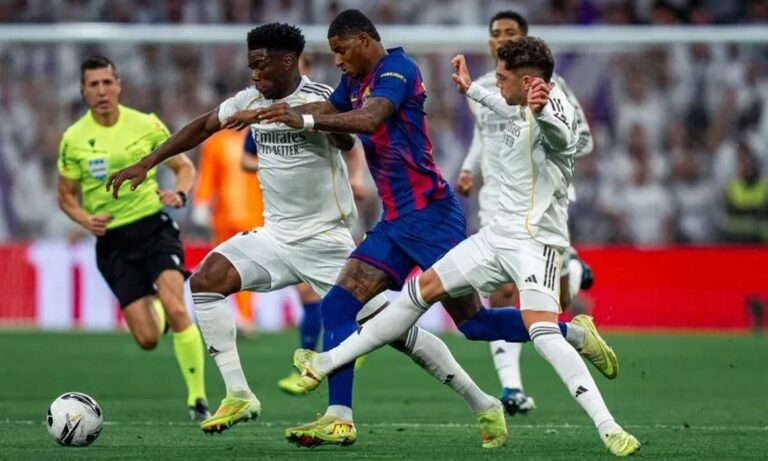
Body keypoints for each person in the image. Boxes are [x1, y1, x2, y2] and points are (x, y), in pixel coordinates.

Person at [226, 9, 613, 449]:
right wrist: (278, 111)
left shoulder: (398, 69)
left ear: (365, 41)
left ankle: (574, 334)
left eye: (341, 51)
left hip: (432, 216)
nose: (337, 61)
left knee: (475, 323)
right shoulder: (354, 80)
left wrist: (307, 120)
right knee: (336, 306)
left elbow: (369, 119)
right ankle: (339, 417)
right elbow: (331, 107)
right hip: (395, 221)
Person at [106, 23, 504, 446]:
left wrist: (306, 120)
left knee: (397, 335)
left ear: (288, 62)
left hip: (326, 242)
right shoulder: (250, 100)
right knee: (205, 282)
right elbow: (204, 126)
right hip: (275, 237)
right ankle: (240, 394)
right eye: (250, 66)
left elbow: (350, 140)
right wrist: (147, 163)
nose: (254, 75)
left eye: (261, 66)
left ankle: (480, 401)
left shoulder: (322, 98)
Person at [455, 10, 598, 416]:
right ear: (489, 43)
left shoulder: (554, 90)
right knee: (500, 294)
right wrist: (470, 167)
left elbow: (581, 139)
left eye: (510, 33)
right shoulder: (483, 88)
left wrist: (551, 153)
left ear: (523, 39)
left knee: (554, 304)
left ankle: (570, 265)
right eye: (496, 34)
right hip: (497, 203)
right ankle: (511, 388)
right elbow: (484, 139)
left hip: (541, 205)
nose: (502, 39)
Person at [57, 55, 209, 421]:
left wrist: (181, 194)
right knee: (147, 339)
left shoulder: (145, 124)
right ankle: (157, 306)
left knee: (177, 308)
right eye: (93, 85)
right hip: (112, 242)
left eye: (107, 82)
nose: (101, 91)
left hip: (154, 228)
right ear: (83, 91)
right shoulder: (73, 139)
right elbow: (65, 196)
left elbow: (183, 167)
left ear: (119, 84)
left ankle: (198, 400)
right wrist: (84, 218)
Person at [193, 128, 264, 333]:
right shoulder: (217, 142)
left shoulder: (258, 136)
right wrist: (202, 203)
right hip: (222, 217)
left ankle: (244, 317)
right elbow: (208, 173)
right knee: (220, 267)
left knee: (249, 268)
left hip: (253, 215)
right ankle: (215, 314)